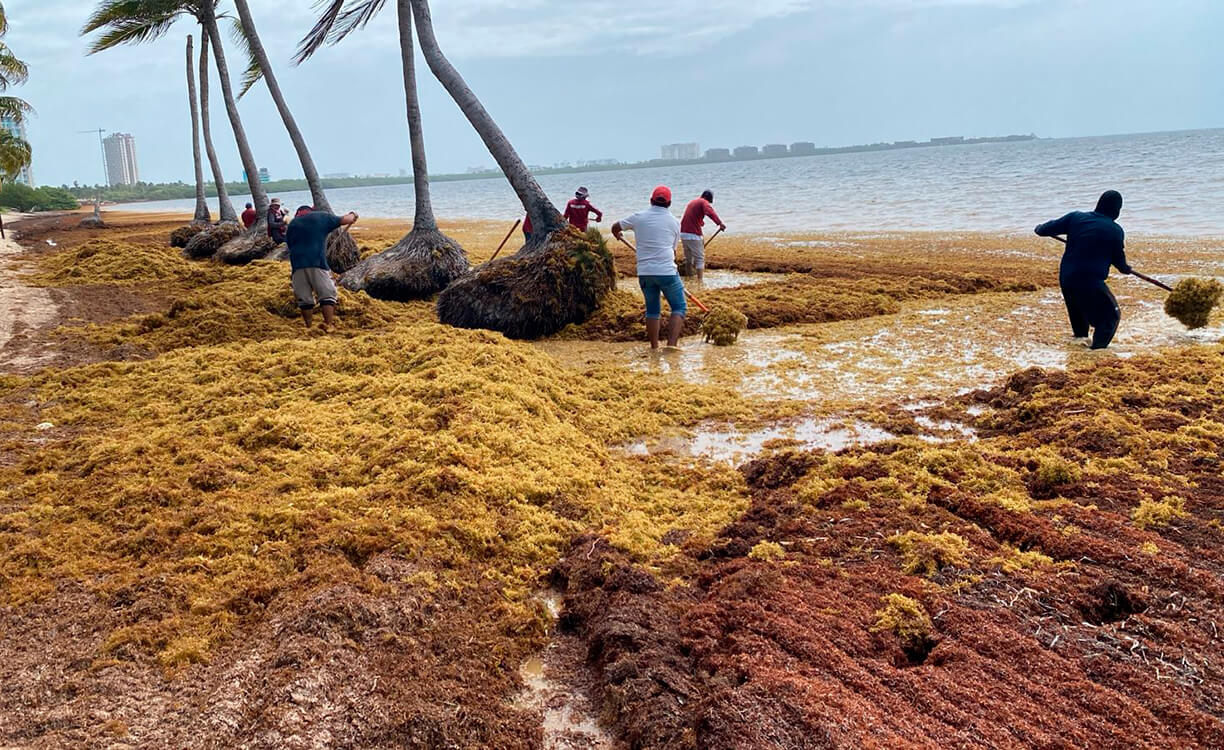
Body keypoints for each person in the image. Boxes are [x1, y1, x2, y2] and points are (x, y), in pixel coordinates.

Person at [1034, 190, 1131, 350]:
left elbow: (1044, 230)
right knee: (1111, 316)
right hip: (1090, 281)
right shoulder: (1115, 230)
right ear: (1117, 210)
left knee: (1079, 318)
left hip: (1067, 278)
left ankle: (1079, 347)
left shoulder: (1075, 218)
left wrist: (1038, 228)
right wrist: (1127, 268)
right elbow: (1119, 263)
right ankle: (1096, 352)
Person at [611, 185, 686, 350]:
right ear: (669, 203)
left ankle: (654, 347)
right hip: (667, 271)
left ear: (651, 200)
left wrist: (618, 235)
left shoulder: (639, 217)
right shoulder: (675, 222)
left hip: (645, 272)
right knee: (679, 307)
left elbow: (615, 227)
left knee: (652, 310)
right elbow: (673, 251)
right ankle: (671, 346)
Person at [286, 207, 358, 331]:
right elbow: (346, 219)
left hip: (297, 263)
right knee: (327, 294)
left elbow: (289, 244)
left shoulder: (292, 224)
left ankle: (308, 326)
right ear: (311, 211)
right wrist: (353, 214)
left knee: (304, 297)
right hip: (316, 262)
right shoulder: (320, 217)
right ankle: (328, 325)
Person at [680, 189, 726, 284]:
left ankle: (689, 280)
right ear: (709, 199)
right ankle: (700, 282)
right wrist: (719, 223)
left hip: (683, 234)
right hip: (693, 235)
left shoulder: (693, 202)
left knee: (688, 259)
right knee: (700, 259)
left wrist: (701, 222)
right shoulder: (704, 202)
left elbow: (691, 217)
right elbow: (709, 212)